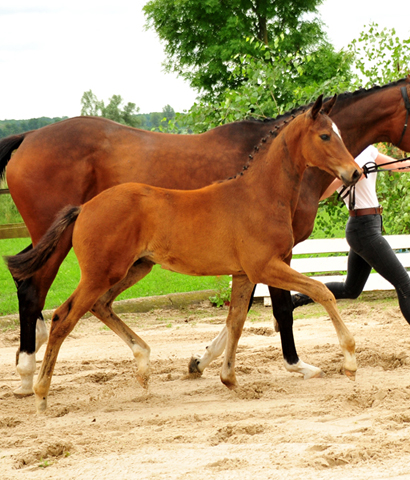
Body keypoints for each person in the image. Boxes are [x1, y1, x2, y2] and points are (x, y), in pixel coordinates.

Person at [292, 145, 410, 324]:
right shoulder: (337, 159)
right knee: (404, 285)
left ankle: (295, 300)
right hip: (362, 229)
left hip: (372, 224)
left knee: (351, 290)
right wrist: (347, 177)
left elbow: (399, 166)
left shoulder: (367, 150)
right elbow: (323, 193)